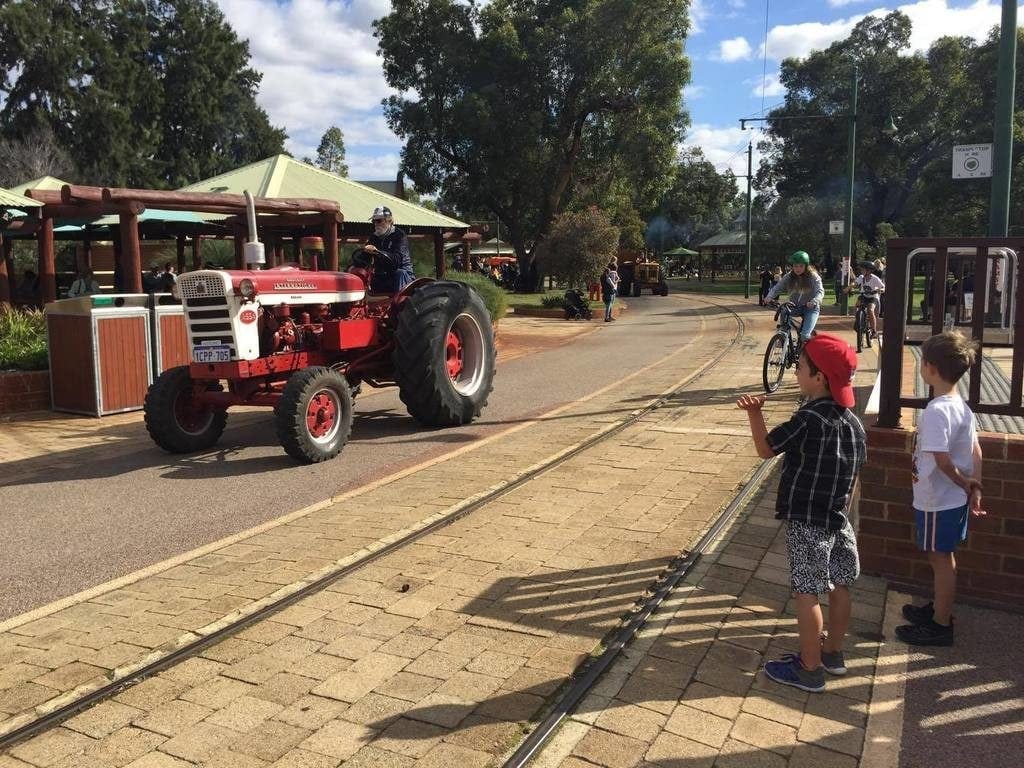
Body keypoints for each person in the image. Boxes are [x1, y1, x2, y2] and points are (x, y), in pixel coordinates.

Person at [736, 333, 865, 693]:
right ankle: (834, 653)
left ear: (819, 376)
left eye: (800, 366)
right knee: (841, 584)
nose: (795, 371)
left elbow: (766, 449)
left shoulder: (807, 419)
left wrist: (755, 413)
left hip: (807, 521)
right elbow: (855, 478)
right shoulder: (853, 423)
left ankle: (810, 668)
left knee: (807, 591)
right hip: (838, 520)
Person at [897, 332, 984, 647]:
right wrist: (975, 485)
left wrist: (964, 483)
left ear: (930, 368)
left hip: (938, 499)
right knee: (942, 557)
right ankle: (940, 608)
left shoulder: (937, 410)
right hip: (952, 499)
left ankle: (940, 624)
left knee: (939, 559)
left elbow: (943, 460)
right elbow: (976, 451)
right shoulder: (961, 405)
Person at [765, 251, 824, 347]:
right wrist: (769, 296)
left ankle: (807, 352)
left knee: (804, 336)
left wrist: (815, 301)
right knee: (784, 309)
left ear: (806, 266)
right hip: (794, 306)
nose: (798, 269)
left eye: (801, 266)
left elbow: (820, 291)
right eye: (795, 266)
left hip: (810, 308)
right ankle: (783, 335)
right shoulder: (789, 276)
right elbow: (777, 287)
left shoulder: (814, 277)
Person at [363, 206, 414, 293]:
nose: (376, 224)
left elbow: (397, 261)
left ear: (389, 221)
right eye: (374, 221)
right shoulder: (374, 237)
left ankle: (399, 305)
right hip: (383, 275)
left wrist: (377, 252)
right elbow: (365, 257)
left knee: (400, 273)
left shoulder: (399, 235)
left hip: (403, 275)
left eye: (379, 221)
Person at [846, 260, 885, 338]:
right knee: (857, 306)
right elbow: (855, 283)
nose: (861, 271)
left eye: (863, 269)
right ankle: (859, 322)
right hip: (864, 295)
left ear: (869, 270)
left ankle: (874, 331)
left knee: (870, 310)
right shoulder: (861, 277)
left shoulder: (875, 278)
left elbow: (883, 287)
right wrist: (849, 287)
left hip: (873, 297)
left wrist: (880, 290)